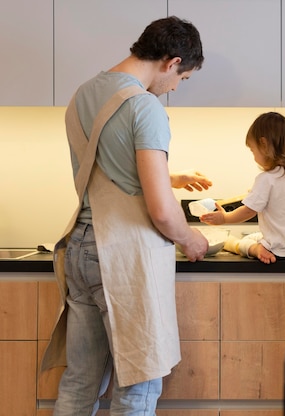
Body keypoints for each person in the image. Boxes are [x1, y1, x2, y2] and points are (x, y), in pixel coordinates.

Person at [40, 16, 211, 414]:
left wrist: (171, 175)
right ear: (172, 62)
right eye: (182, 79)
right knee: (138, 385)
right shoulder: (145, 107)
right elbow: (162, 212)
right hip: (124, 258)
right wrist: (191, 239)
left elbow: (107, 169)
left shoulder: (83, 94)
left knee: (80, 383)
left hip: (80, 250)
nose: (174, 88)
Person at [200, 111, 285, 264]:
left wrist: (225, 218)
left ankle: (257, 250)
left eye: (252, 150)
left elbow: (249, 211)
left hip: (283, 250)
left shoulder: (266, 179)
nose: (253, 156)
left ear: (263, 145)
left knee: (248, 240)